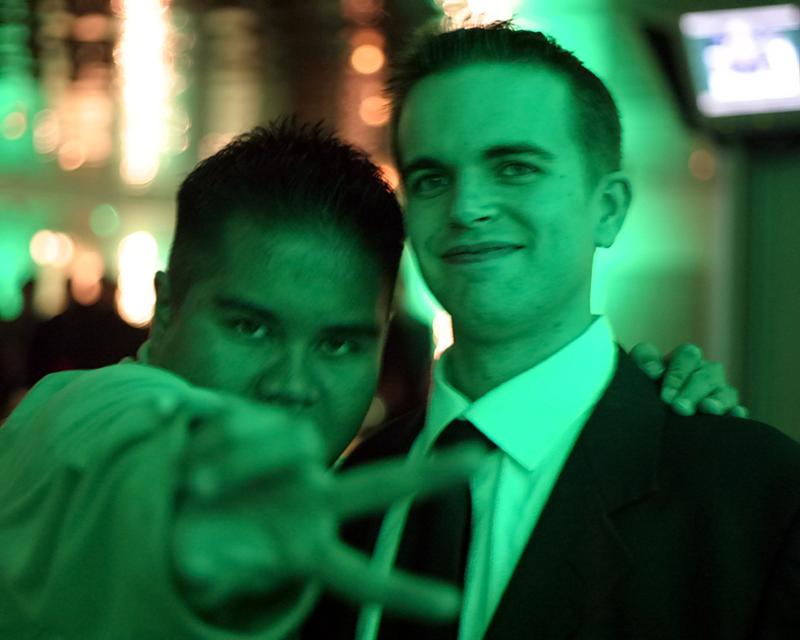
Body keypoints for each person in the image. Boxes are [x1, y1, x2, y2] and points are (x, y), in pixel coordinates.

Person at [0, 120, 744, 639]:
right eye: (250, 328)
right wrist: (185, 491)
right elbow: (130, 448)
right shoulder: (78, 416)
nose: (292, 383)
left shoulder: (356, 504)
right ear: (165, 309)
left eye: (338, 344)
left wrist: (627, 408)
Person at [303, 23, 800, 640]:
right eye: (432, 178)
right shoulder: (357, 489)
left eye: (514, 167)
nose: (466, 207)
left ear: (608, 209)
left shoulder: (757, 499)